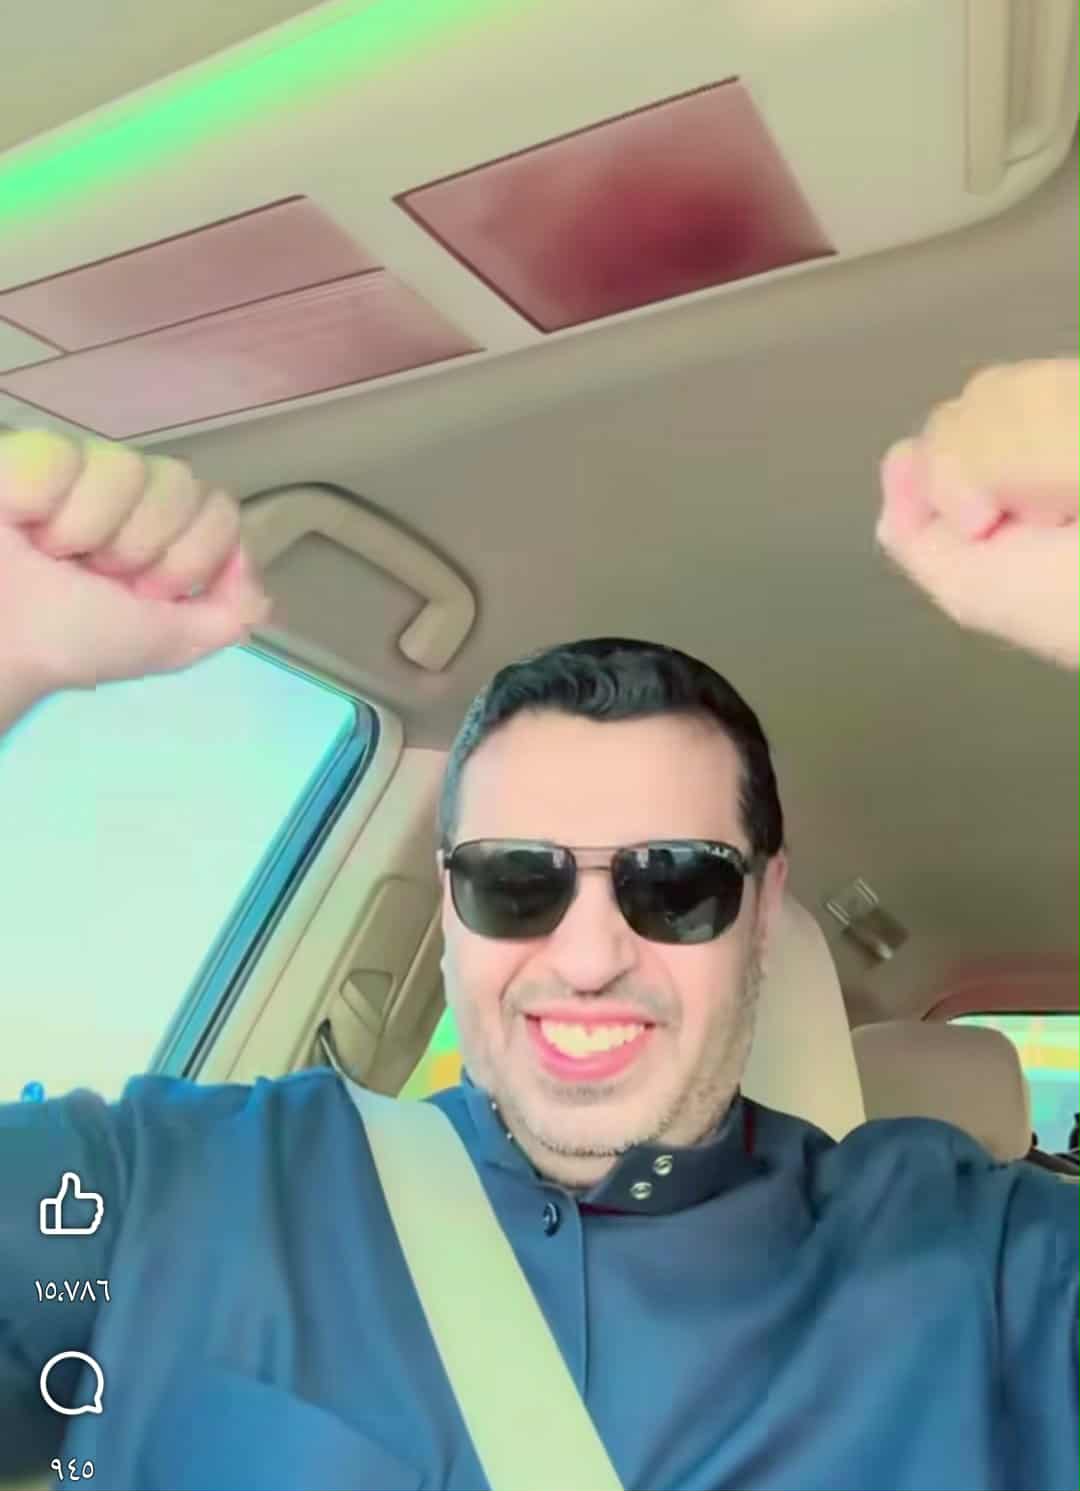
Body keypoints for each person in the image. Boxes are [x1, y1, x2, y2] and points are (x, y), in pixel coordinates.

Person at [0, 358, 1076, 1491]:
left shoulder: (984, 1276)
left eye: (674, 883)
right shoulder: (175, 1191)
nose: (590, 954)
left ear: (762, 911)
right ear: (450, 904)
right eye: (518, 881)